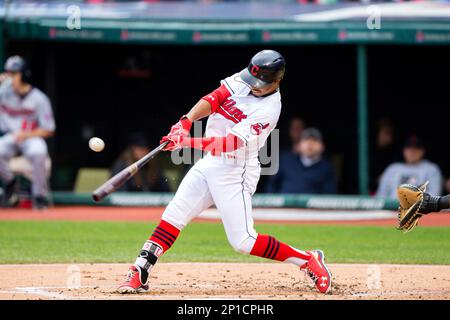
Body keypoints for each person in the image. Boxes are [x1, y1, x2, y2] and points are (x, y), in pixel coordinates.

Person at [117, 50, 332, 295]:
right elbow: (215, 98)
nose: (253, 87)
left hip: (236, 170)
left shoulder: (269, 110)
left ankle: (307, 259)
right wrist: (185, 123)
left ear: (277, 81)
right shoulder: (245, 78)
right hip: (211, 162)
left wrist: (185, 143)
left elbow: (228, 143)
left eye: (260, 84)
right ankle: (140, 269)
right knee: (173, 215)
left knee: (243, 241)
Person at [0, 56, 55, 209]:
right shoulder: (4, 94)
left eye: (14, 74)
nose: (10, 77)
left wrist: (27, 135)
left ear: (23, 75)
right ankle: (10, 183)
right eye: (8, 73)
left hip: (31, 137)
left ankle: (39, 197)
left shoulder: (39, 98)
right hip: (12, 137)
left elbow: (49, 129)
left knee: (39, 151)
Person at [266, 127, 336, 194]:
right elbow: (271, 186)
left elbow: (329, 195)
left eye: (314, 140)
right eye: (306, 140)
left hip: (312, 206)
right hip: (283, 205)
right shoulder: (285, 160)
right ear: (298, 145)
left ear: (322, 146)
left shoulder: (326, 167)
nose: (310, 144)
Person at [376, 135, 442, 199]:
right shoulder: (392, 169)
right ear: (404, 150)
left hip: (419, 209)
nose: (412, 151)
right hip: (392, 208)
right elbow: (381, 196)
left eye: (416, 148)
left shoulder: (431, 169)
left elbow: (435, 195)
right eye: (409, 148)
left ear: (422, 151)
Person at [370, 118, 399, 193]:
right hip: (371, 191)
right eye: (386, 132)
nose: (389, 136)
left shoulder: (395, 152)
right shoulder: (367, 150)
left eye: (390, 133)